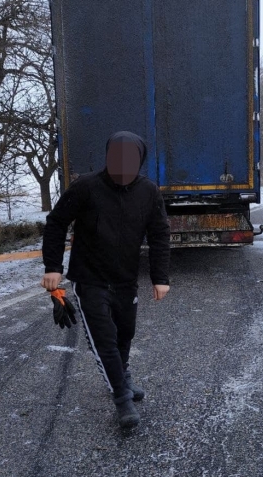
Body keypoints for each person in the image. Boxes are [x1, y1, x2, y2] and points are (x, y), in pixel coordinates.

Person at [41, 131, 171, 428]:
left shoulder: (148, 192)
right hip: (89, 278)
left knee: (125, 334)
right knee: (105, 341)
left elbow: (160, 234)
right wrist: (53, 267)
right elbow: (56, 222)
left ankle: (122, 376)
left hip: (125, 279)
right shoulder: (86, 187)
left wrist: (159, 277)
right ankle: (121, 399)